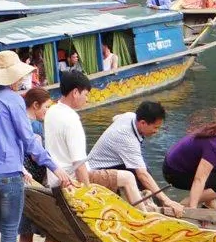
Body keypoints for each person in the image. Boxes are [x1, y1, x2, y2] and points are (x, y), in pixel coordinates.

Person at [0, 51, 72, 242]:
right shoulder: (13, 100)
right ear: (12, 76)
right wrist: (55, 167)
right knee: (10, 229)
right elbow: (29, 140)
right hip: (8, 175)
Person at [44, 71, 144, 202]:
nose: (87, 99)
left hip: (54, 177)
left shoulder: (51, 111)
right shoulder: (71, 120)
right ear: (75, 93)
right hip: (71, 178)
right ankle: (143, 217)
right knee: (128, 177)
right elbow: (79, 165)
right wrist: (88, 193)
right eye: (85, 94)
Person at [87, 101, 184, 216]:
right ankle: (146, 214)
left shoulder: (130, 116)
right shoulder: (128, 140)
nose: (156, 131)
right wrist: (167, 200)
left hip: (110, 163)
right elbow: (143, 175)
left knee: (145, 172)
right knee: (142, 176)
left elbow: (115, 118)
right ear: (143, 123)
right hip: (97, 172)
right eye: (155, 127)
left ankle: (157, 205)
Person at [19, 87, 58, 242]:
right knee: (52, 230)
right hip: (34, 182)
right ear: (35, 105)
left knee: (25, 232)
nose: (47, 111)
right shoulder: (35, 126)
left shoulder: (20, 120)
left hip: (21, 181)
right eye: (46, 106)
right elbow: (37, 154)